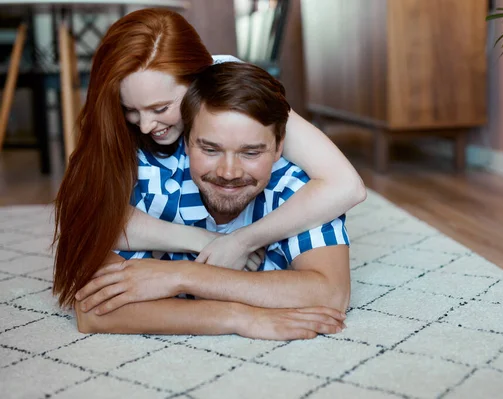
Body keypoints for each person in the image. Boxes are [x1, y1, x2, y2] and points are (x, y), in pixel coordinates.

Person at [52, 7, 365, 323]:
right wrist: (206, 245)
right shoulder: (135, 152)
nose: (145, 125)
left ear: (198, 83)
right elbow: (90, 218)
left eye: (161, 108)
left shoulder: (231, 89)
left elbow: (345, 185)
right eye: (131, 110)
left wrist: (242, 241)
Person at [74, 62, 351, 341]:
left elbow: (331, 295)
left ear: (279, 146)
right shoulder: (148, 181)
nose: (228, 173)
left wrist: (182, 276)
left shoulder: (300, 190)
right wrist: (239, 317)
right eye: (209, 149)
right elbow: (93, 309)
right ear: (186, 141)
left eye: (251, 152)